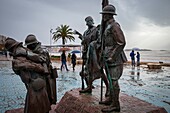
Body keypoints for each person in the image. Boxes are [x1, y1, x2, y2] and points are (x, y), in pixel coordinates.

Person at [5, 38, 51, 113]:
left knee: (37, 102)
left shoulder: (24, 54)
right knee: (36, 102)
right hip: (34, 81)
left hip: (36, 81)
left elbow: (36, 65)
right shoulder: (19, 58)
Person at [98, 4, 127, 112]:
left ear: (109, 15)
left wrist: (112, 56)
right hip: (107, 58)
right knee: (111, 81)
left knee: (114, 81)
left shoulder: (114, 26)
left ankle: (116, 105)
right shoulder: (108, 26)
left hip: (115, 59)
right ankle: (110, 99)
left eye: (105, 14)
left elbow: (121, 42)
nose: (103, 16)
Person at [25, 34, 58, 105]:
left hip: (45, 75)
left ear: (34, 44)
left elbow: (44, 60)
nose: (28, 47)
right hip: (39, 76)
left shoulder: (41, 51)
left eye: (29, 45)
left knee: (47, 93)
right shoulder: (34, 51)